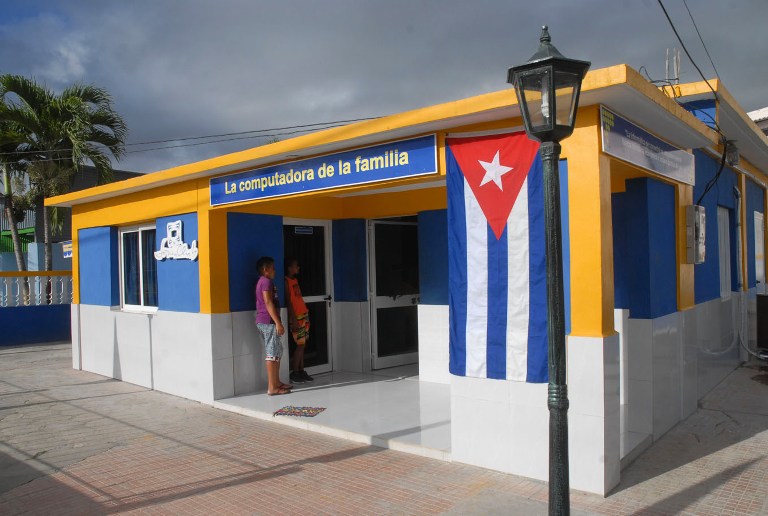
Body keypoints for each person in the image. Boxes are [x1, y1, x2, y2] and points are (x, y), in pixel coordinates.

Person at [255, 256, 292, 396]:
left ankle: (277, 382)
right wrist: (278, 322)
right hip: (268, 322)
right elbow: (268, 302)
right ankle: (272, 387)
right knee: (272, 354)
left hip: (267, 321)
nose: (275, 270)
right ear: (265, 269)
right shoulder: (265, 282)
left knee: (277, 352)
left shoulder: (265, 282)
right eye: (272, 267)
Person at [285, 257, 314, 383]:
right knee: (300, 344)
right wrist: (294, 319)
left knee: (303, 344)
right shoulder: (286, 281)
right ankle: (295, 372)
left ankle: (301, 370)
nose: (298, 268)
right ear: (289, 268)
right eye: (295, 265)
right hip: (296, 317)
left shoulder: (295, 280)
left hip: (303, 315)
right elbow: (289, 301)